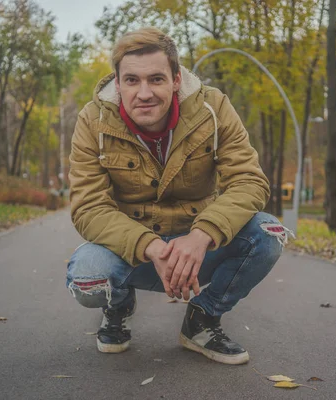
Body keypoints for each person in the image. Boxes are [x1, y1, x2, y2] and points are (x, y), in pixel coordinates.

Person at [66, 27, 290, 365]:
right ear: (118, 81)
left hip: (197, 251)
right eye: (132, 80)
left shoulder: (213, 109)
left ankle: (202, 320)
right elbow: (88, 206)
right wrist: (150, 246)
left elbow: (249, 181)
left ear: (175, 78)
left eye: (156, 79)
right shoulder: (92, 121)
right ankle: (119, 304)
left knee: (267, 232)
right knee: (86, 277)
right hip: (134, 253)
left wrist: (202, 235)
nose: (144, 93)